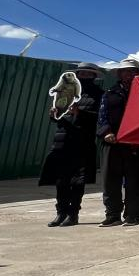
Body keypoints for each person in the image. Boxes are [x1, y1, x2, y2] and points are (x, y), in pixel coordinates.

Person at [39, 62, 103, 227]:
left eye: (88, 74)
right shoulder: (67, 92)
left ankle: (73, 214)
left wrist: (79, 112)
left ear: (94, 76)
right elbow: (60, 117)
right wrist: (54, 114)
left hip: (82, 142)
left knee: (77, 181)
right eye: (81, 73)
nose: (84, 76)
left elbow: (99, 118)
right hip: (62, 140)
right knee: (61, 180)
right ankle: (60, 212)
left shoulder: (99, 94)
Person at [97, 59, 139, 226]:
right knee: (110, 180)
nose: (129, 74)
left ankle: (132, 214)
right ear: (119, 74)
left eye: (133, 71)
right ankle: (112, 215)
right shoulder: (109, 93)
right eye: (125, 71)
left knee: (134, 181)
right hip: (112, 141)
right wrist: (106, 132)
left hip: (135, 143)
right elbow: (102, 116)